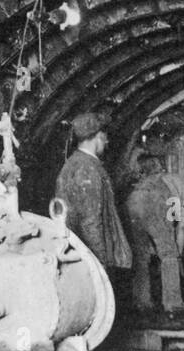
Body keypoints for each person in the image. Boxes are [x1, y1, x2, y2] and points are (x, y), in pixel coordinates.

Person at [122, 171, 184, 313]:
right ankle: (173, 303)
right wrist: (177, 254)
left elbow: (171, 219)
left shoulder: (177, 181)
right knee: (169, 255)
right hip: (153, 201)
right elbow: (182, 227)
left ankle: (141, 301)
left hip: (132, 200)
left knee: (140, 256)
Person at [53, 111, 132, 272]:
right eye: (105, 136)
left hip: (77, 252)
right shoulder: (87, 169)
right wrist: (99, 262)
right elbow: (91, 221)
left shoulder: (75, 164)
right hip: (89, 256)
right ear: (98, 137)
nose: (107, 141)